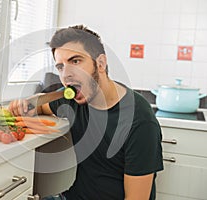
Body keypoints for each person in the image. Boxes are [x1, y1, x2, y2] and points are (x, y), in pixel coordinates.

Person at [8, 25, 164, 200]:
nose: (66, 74)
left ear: (101, 63)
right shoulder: (74, 98)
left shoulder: (139, 119)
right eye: (60, 67)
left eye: (75, 61)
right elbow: (40, 104)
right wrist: (23, 104)